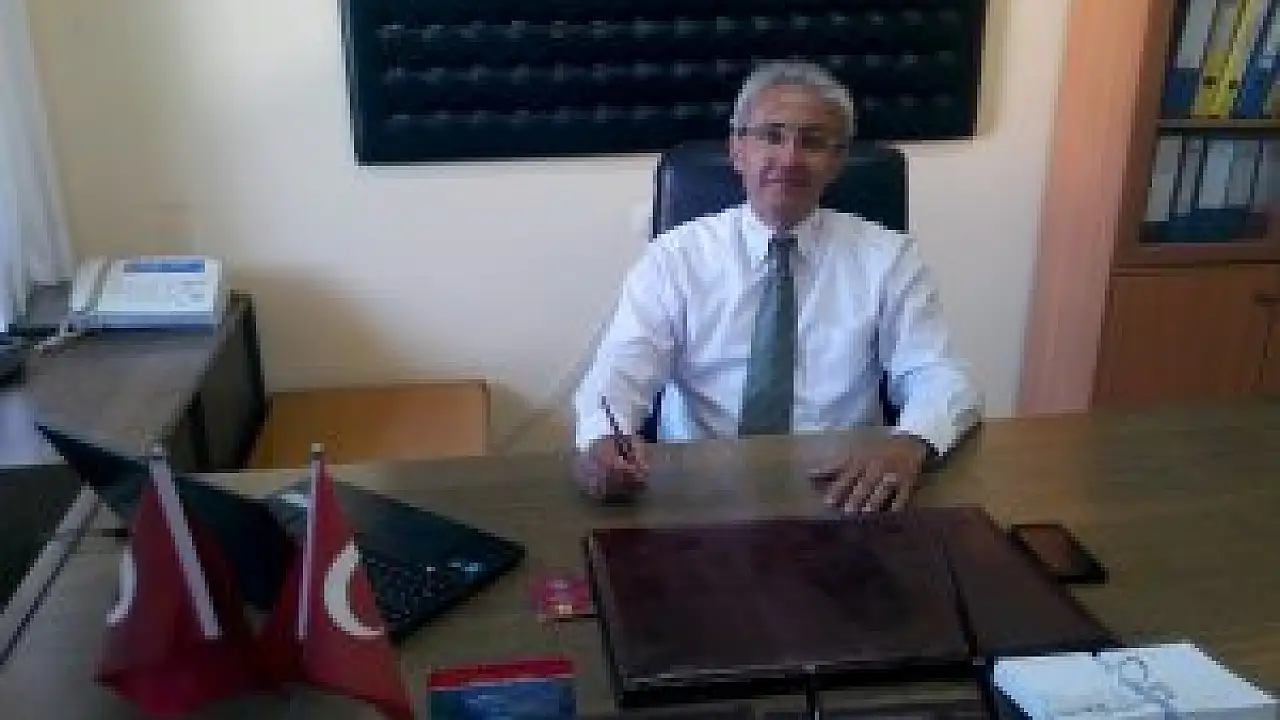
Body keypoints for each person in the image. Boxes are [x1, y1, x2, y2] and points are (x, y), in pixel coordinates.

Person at [573, 60, 981, 512]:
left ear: (837, 161)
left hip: (841, 490)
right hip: (697, 491)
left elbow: (940, 375)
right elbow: (619, 372)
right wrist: (602, 439)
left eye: (812, 141)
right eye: (771, 135)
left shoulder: (888, 258)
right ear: (738, 151)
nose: (789, 159)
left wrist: (910, 443)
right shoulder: (675, 258)